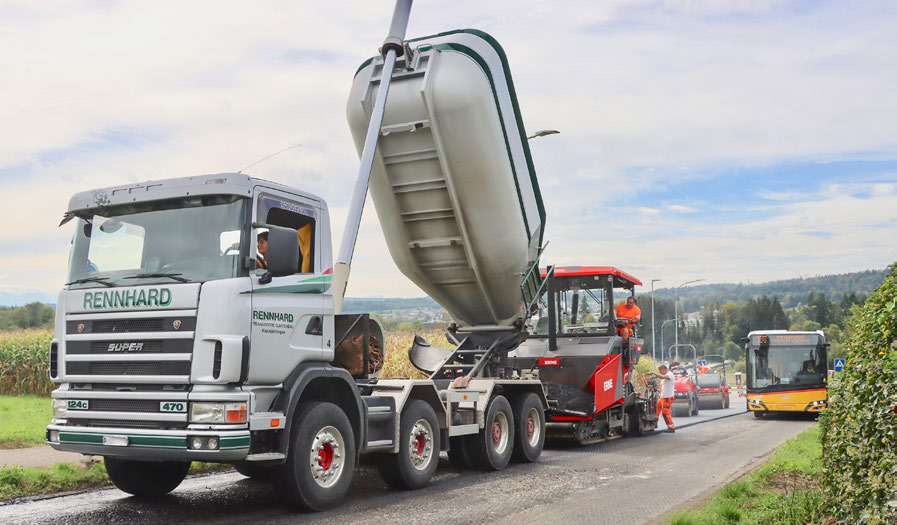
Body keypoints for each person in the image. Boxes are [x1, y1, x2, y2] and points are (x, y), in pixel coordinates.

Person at [646, 364, 676, 432]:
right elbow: (663, 387)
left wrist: (654, 373)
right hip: (663, 397)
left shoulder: (670, 374)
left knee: (665, 413)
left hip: (667, 397)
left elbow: (662, 376)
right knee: (656, 409)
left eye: (660, 371)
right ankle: (653, 424)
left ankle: (671, 427)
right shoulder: (664, 379)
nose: (660, 372)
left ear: (663, 369)